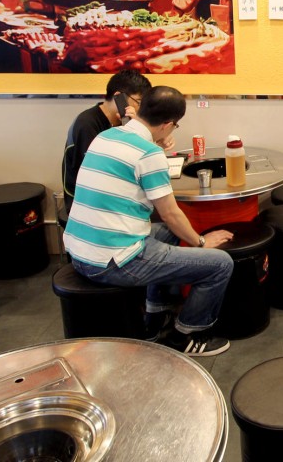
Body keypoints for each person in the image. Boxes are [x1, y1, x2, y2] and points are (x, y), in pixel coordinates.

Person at [64, 86, 235, 356]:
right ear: (168, 124)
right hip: (113, 261)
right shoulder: (148, 154)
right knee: (219, 264)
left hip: (80, 251)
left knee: (166, 233)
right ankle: (186, 335)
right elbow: (170, 212)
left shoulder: (105, 136)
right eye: (174, 126)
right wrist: (202, 241)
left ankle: (153, 317)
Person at [61, 69, 152, 212]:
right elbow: (103, 170)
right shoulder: (87, 123)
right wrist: (134, 128)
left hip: (109, 196)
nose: (140, 109)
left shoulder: (120, 121)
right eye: (139, 102)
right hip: (86, 205)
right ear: (119, 97)